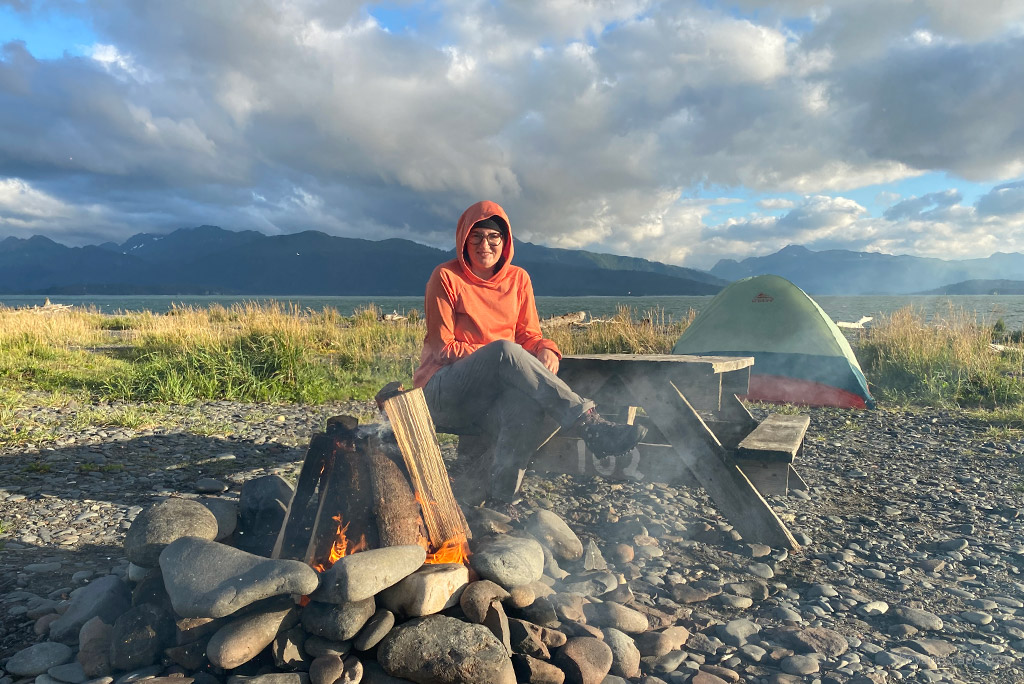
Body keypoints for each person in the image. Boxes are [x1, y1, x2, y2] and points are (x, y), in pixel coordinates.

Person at [413, 200, 647, 505]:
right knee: (504, 352)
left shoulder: (518, 279)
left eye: (493, 237)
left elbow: (529, 336)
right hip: (444, 390)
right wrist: (500, 356)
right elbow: (444, 347)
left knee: (523, 410)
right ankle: (588, 423)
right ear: (463, 239)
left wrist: (546, 348)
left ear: (505, 240)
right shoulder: (445, 277)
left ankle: (499, 505)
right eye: (477, 236)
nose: (485, 244)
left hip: (490, 398)